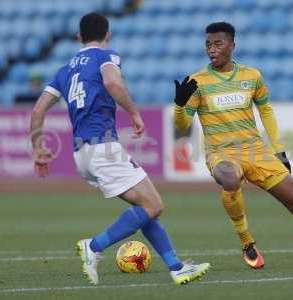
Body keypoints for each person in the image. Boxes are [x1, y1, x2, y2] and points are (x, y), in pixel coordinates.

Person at [29, 12, 210, 285]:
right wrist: (135, 113)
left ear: (79, 37)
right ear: (107, 35)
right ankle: (95, 246)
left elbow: (37, 111)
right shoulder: (106, 57)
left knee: (144, 207)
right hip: (103, 148)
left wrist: (38, 148)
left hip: (81, 154)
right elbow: (112, 82)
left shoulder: (64, 70)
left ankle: (176, 267)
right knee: (154, 204)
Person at [173, 22, 293, 269]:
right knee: (230, 180)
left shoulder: (252, 76)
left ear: (232, 45)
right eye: (208, 44)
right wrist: (179, 106)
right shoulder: (196, 82)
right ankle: (246, 241)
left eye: (218, 43)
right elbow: (181, 126)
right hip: (220, 152)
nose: (212, 49)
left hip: (256, 151)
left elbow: (266, 111)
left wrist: (279, 149)